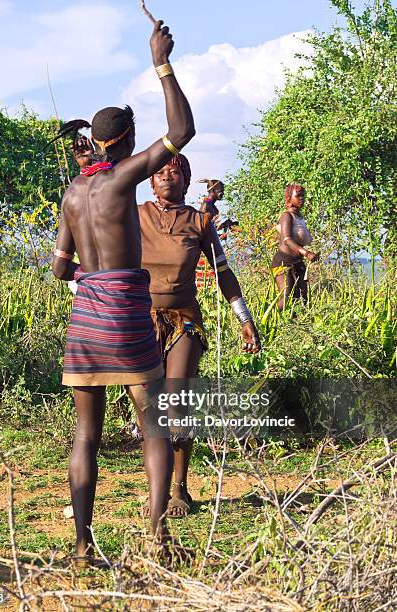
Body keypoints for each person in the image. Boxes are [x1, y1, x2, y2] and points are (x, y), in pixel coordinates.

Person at [52, 19, 195, 562]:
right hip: (127, 316)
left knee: (86, 435)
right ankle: (158, 536)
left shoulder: (74, 191)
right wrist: (161, 62)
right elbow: (182, 130)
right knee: (154, 425)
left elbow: (60, 269)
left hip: (86, 320)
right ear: (130, 141)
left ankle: (83, 545)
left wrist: (92, 277)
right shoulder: (122, 178)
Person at [128, 154, 261, 517]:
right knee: (148, 409)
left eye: (176, 172)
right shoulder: (135, 216)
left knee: (176, 402)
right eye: (160, 173)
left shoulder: (200, 222)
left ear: (187, 182)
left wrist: (244, 318)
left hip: (184, 319)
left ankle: (179, 489)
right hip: (140, 322)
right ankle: (156, 492)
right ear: (150, 182)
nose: (168, 177)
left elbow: (224, 274)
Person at [271, 184, 319, 310]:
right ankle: (272, 321)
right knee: (286, 298)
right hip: (283, 263)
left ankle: (298, 326)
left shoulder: (299, 218)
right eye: (298, 196)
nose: (302, 199)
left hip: (298, 263)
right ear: (288, 198)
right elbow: (287, 239)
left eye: (303, 196)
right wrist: (306, 253)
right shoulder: (286, 216)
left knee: (302, 299)